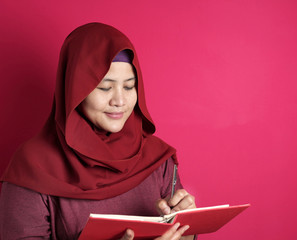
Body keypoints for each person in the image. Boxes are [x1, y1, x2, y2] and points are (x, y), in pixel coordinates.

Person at [0, 22, 196, 240]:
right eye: (105, 87)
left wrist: (188, 232)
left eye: (130, 86)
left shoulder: (157, 159)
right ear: (74, 88)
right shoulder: (33, 167)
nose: (120, 101)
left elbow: (179, 230)